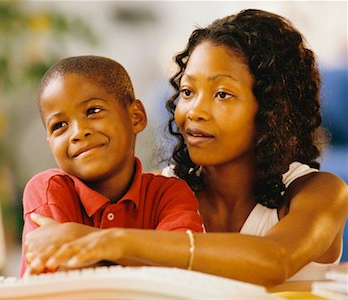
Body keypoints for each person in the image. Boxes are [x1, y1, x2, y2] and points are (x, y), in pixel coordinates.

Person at [30, 10, 348, 286]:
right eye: (187, 90)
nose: (194, 110)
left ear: (272, 107)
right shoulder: (163, 195)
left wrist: (106, 241)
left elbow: (275, 260)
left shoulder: (319, 192)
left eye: (222, 94)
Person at [21, 55, 204, 276]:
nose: (78, 132)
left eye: (93, 111)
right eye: (59, 125)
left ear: (136, 117)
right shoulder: (49, 189)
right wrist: (149, 262)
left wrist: (81, 240)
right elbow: (60, 279)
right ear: (50, 141)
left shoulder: (169, 193)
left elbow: (182, 266)